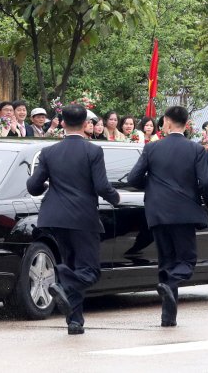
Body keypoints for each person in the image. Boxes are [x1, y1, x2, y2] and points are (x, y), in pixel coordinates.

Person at [27, 104, 119, 335]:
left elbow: (33, 186)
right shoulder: (94, 151)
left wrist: (48, 185)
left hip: (54, 217)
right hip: (83, 217)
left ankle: (74, 321)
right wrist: (116, 198)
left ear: (63, 124)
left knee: (71, 266)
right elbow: (101, 186)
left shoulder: (49, 152)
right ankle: (61, 284)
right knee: (89, 271)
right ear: (86, 124)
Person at [126, 106, 208, 327]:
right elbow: (204, 182)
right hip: (184, 212)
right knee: (186, 260)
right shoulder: (195, 150)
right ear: (186, 124)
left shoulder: (152, 148)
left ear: (166, 121)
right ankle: (170, 286)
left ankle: (168, 318)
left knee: (166, 261)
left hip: (157, 211)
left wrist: (155, 188)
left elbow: (133, 179)